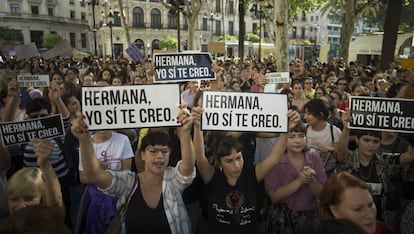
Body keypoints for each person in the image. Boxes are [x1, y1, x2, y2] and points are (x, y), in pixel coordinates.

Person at [70, 104, 195, 233]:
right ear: (142, 155)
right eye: (153, 151)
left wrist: (185, 134)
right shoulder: (129, 182)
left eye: (164, 152)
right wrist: (85, 141)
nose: (159, 156)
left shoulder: (172, 180)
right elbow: (93, 176)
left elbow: (188, 167)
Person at [192, 106, 300, 234]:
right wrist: (197, 126)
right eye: (229, 161)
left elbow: (274, 158)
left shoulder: (252, 175)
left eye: (238, 158)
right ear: (219, 162)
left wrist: (287, 128)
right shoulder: (212, 177)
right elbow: (200, 158)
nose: (236, 165)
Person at [265, 122, 327, 234]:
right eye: (291, 137)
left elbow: (322, 194)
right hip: (282, 219)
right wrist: (300, 181)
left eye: (301, 136)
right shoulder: (274, 161)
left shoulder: (314, 158)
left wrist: (311, 180)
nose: (298, 141)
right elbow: (274, 197)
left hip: (309, 218)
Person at [319, 171, 396, 234]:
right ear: (334, 210)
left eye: (370, 205)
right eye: (358, 209)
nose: (370, 215)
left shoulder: (386, 231)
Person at [3, 138, 64, 216]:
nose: (21, 206)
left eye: (29, 198)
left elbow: (55, 207)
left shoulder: (48, 225)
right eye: (14, 199)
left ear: (43, 199)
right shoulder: (5, 226)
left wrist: (45, 164)